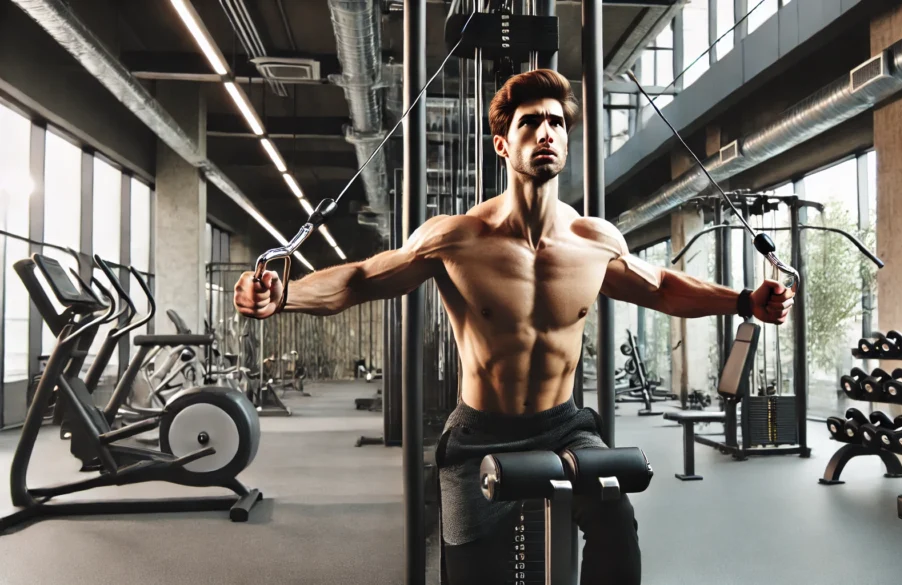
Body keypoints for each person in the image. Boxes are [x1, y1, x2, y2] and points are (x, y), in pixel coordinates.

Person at [234, 69, 795, 585]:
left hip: (565, 425)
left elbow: (662, 287)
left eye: (555, 122)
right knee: (472, 570)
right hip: (480, 430)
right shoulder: (456, 237)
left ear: (568, 143)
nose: (546, 132)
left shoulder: (595, 241)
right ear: (504, 144)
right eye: (531, 122)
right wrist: (286, 295)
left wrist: (745, 299)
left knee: (618, 531)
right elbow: (359, 278)